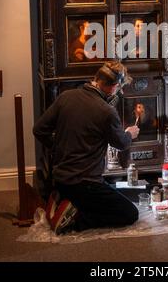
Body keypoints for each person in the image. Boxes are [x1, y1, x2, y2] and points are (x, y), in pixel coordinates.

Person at [33, 61, 140, 234]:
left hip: (60, 179)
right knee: (130, 213)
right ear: (113, 87)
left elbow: (38, 129)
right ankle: (75, 220)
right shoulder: (106, 111)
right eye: (118, 88)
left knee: (108, 193)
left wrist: (57, 147)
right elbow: (121, 144)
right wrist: (130, 133)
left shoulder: (65, 97)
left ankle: (64, 201)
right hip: (85, 184)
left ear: (96, 78)